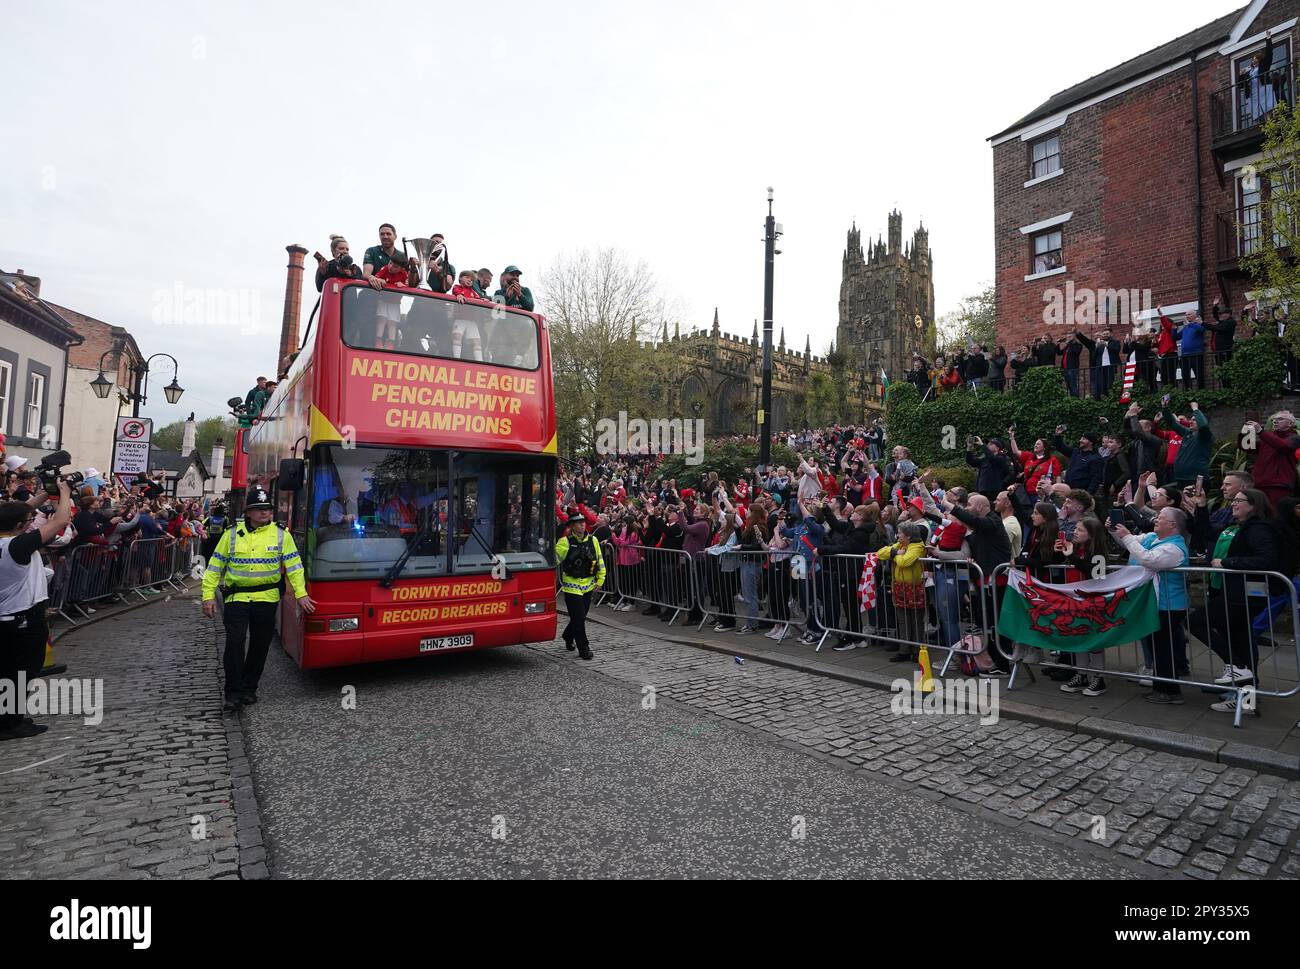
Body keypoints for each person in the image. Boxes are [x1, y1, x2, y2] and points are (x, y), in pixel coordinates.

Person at [202, 486, 316, 712]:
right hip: (237, 598)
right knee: (234, 644)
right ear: (248, 512)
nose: (265, 512)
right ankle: (232, 693)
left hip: (267, 598)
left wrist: (301, 594)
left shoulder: (282, 535)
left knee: (259, 645)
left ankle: (249, 688)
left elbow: (294, 567)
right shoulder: (231, 535)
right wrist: (208, 596)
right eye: (259, 508)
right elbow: (215, 567)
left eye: (267, 508)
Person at [1190, 488, 1280, 716]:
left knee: (1196, 621)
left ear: (1253, 504)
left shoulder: (1259, 529)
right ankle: (1247, 700)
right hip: (1232, 593)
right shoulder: (1239, 527)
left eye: (1239, 501)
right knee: (1241, 644)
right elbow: (1207, 533)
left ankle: (1236, 668)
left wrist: (1228, 562)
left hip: (1244, 596)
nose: (1233, 504)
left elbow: (1265, 559)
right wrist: (1201, 507)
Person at [0, 480, 72, 739]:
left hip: (6, 617)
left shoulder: (7, 540)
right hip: (23, 619)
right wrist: (64, 493)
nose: (31, 523)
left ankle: (8, 718)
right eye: (29, 521)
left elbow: (14, 512)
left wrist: (45, 492)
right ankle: (9, 723)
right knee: (22, 671)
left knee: (7, 670)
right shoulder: (18, 546)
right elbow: (61, 520)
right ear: (20, 526)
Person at [1113, 507, 1190, 704]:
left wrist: (1128, 537)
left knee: (1165, 650)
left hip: (1169, 605)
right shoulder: (1154, 538)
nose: (1156, 519)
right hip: (1155, 603)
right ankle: (1161, 688)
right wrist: (1115, 530)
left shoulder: (1174, 548)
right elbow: (1129, 543)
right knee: (1158, 649)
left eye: (1161, 517)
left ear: (1173, 525)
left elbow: (1149, 559)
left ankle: (1170, 691)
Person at [555, 512, 604, 659]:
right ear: (572, 526)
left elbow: (599, 560)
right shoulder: (565, 542)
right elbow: (553, 560)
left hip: (588, 586)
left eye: (583, 522)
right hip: (572, 587)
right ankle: (584, 649)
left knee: (579, 618)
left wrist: (600, 579)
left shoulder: (593, 540)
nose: (582, 524)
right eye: (578, 522)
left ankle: (567, 635)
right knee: (579, 618)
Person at [363, 223, 418, 350]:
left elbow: (411, 283)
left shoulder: (402, 256)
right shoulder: (372, 251)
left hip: (394, 301)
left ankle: (390, 344)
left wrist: (414, 269)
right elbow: (366, 273)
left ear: (395, 236)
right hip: (371, 300)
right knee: (371, 330)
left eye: (388, 234)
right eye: (382, 234)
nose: (385, 236)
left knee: (392, 324)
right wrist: (373, 278)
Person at [1240, 411, 1300, 509]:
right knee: (1259, 514)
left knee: (1276, 516)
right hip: (1259, 483)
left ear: (1290, 424)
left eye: (1280, 419)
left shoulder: (1295, 438)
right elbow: (1248, 448)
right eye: (1274, 420)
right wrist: (1245, 433)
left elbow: (1283, 446)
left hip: (1278, 485)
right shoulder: (1267, 438)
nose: (1275, 421)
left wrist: (1261, 431)